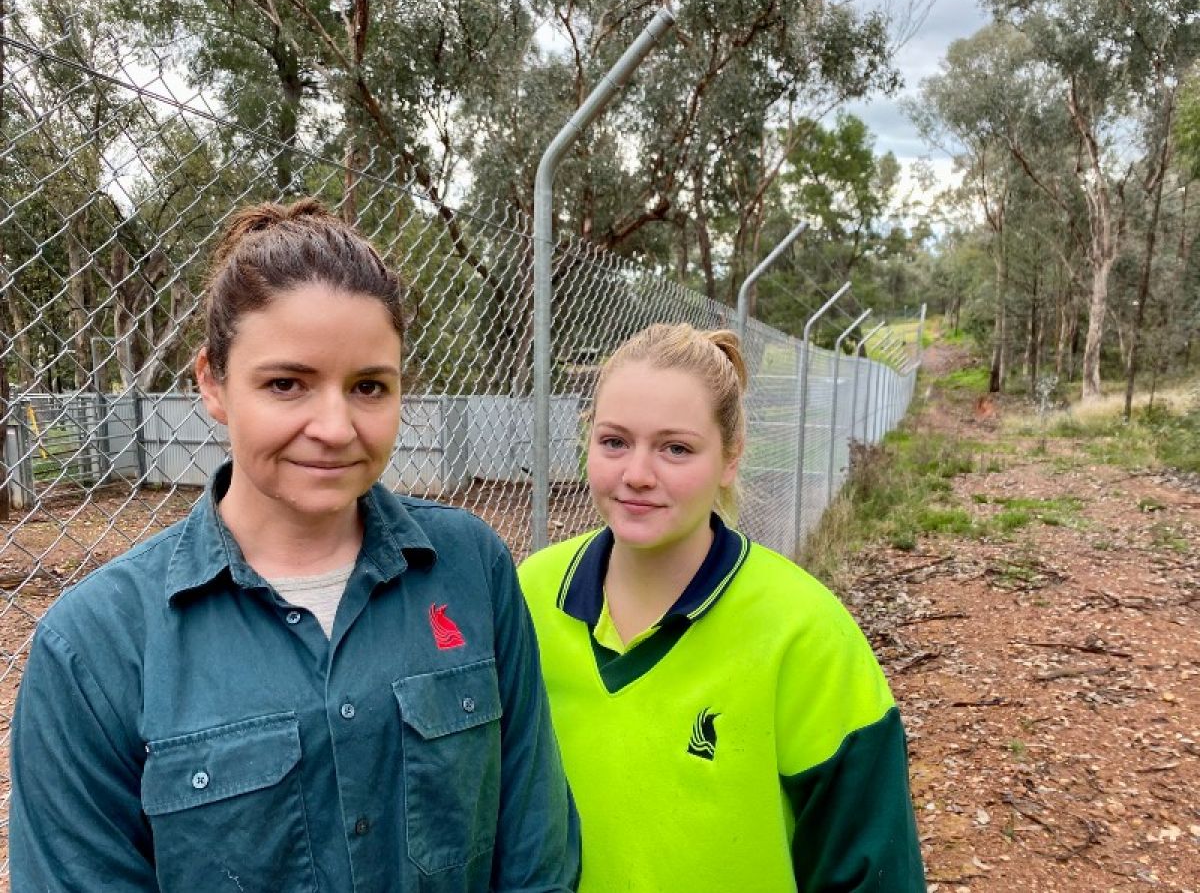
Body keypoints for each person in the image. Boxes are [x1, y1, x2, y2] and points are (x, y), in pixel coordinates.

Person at [9, 198, 581, 893]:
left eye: (369, 386)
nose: (335, 427)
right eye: (287, 384)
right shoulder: (95, 647)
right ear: (212, 383)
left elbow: (534, 851)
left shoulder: (472, 568)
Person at [518, 322, 925, 892]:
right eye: (614, 441)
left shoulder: (806, 633)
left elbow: (872, 870)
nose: (637, 474)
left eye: (675, 448)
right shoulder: (528, 596)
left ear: (730, 458)